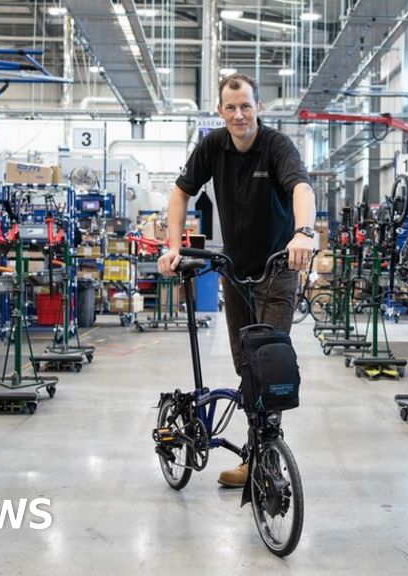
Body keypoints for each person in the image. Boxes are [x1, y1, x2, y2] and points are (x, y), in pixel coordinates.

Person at [157, 73, 316, 487]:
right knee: (245, 365)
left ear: (258, 107)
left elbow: (301, 188)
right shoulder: (213, 146)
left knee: (269, 364)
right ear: (220, 112)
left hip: (277, 271)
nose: (239, 114)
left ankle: (264, 458)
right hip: (235, 271)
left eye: (246, 105)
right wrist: (174, 245)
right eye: (231, 107)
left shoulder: (277, 146)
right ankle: (254, 452)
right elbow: (179, 193)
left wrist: (304, 232)